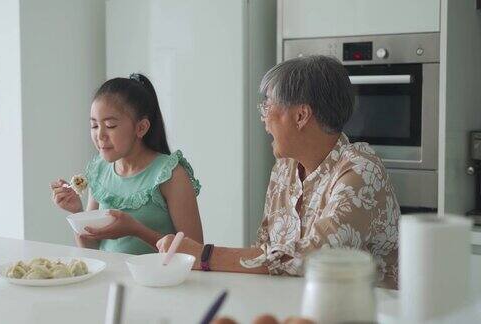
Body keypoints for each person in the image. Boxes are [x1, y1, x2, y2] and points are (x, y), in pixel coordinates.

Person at [157, 55, 400, 289]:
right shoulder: (285, 168)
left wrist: (205, 255)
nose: (263, 118)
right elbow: (265, 247)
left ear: (301, 116)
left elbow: (315, 256)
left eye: (268, 106)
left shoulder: (362, 169)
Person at [51, 73, 203, 254]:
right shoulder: (99, 171)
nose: (100, 135)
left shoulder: (170, 174)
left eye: (110, 126)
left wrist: (136, 230)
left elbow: (196, 252)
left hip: (157, 280)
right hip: (111, 280)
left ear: (141, 128)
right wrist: (78, 213)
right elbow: (92, 248)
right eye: (94, 126)